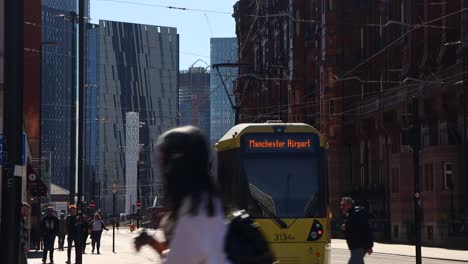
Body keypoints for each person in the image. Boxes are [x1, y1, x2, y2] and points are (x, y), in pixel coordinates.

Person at [134, 126, 230, 263]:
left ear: (176, 165)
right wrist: (151, 241)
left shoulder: (194, 212)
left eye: (164, 162)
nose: (163, 171)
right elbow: (185, 253)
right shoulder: (209, 201)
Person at [340, 197, 374, 264]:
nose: (341, 207)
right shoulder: (350, 215)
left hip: (359, 246)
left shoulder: (358, 214)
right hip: (355, 246)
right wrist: (345, 229)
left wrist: (369, 246)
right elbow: (352, 230)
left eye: (343, 205)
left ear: (349, 205)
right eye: (341, 205)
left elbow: (366, 230)